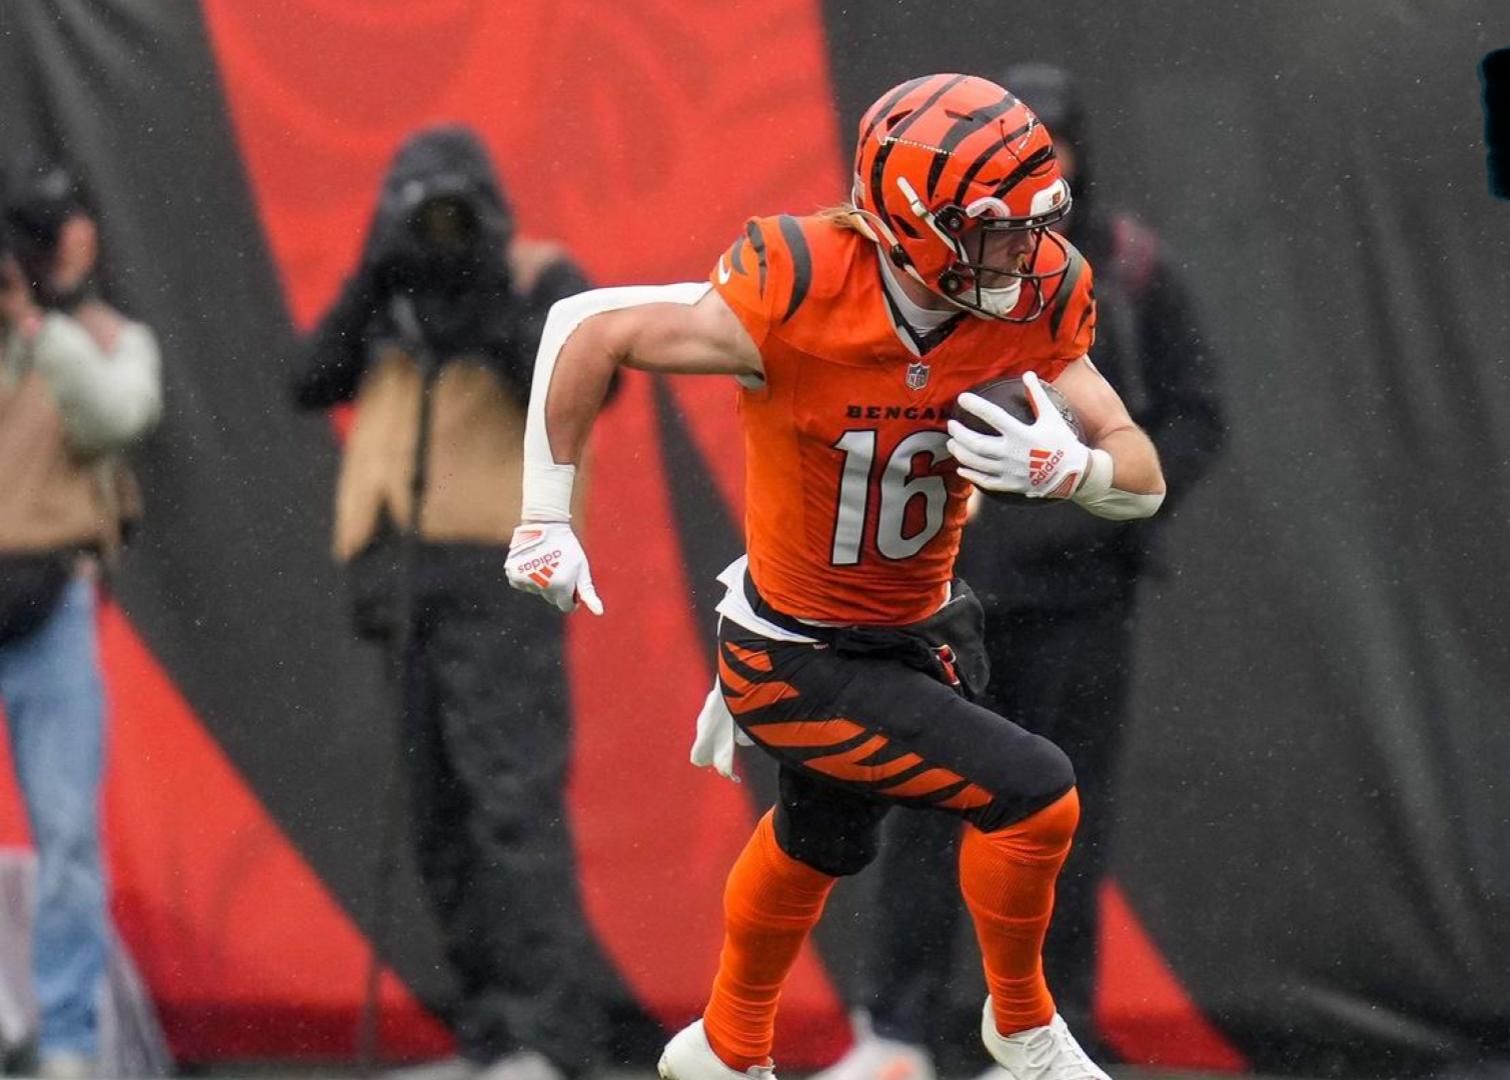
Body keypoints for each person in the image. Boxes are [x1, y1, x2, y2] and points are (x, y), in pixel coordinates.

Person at [504, 74, 1167, 1080]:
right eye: (994, 230)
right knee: (1034, 794)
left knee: (823, 837)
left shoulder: (1031, 297)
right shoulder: (801, 287)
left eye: (1034, 226)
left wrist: (1073, 467)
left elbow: (1142, 471)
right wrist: (545, 519)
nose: (1021, 254)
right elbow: (587, 327)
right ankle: (1022, 1026)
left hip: (913, 629)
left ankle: (726, 1043)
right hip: (796, 651)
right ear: (913, 218)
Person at [817, 61, 1226, 1080]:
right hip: (945, 600)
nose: (1029, 185)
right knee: (916, 804)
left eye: (1051, 155)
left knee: (1058, 822)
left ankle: (1045, 1035)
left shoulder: (1124, 270)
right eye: (1009, 157)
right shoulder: (921, 268)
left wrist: (1097, 490)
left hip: (1085, 602)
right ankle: (897, 1034)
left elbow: (1190, 418)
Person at [294, 125, 606, 1080]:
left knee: (510, 804)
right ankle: (490, 1034)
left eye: (451, 209)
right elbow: (309, 379)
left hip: (498, 570)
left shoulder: (542, 276)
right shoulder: (392, 285)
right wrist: (374, 271)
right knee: (436, 818)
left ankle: (547, 1039)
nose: (438, 230)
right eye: (417, 210)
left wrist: (480, 298)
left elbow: (589, 390)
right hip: (398, 568)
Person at [0, 156, 163, 1078]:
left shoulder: (84, 338)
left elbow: (118, 415)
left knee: (65, 836)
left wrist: (38, 327)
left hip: (50, 600)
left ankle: (64, 1040)